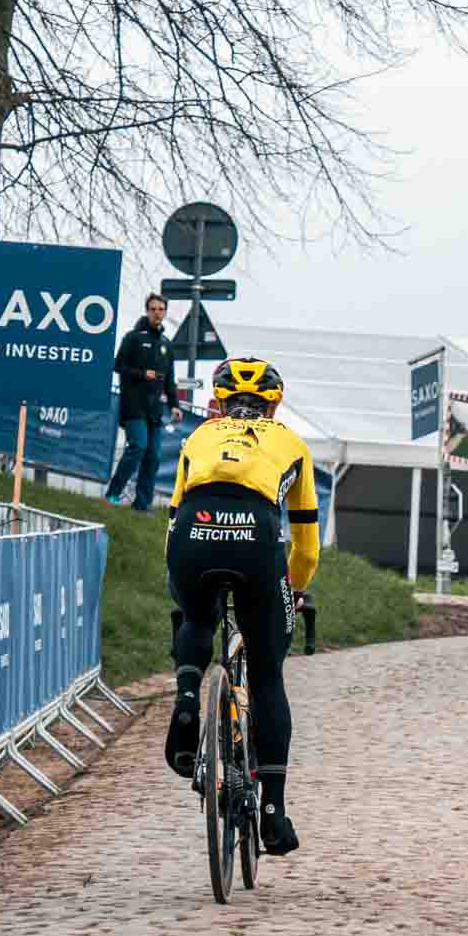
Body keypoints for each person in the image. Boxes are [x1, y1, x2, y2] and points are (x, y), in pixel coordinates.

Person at [162, 356, 322, 853]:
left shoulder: (198, 437)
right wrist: (291, 589)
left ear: (221, 402)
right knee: (269, 674)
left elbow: (173, 517)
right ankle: (273, 813)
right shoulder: (292, 444)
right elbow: (307, 545)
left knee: (195, 614)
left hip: (194, 528)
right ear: (274, 404)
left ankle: (188, 697)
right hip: (256, 536)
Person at [105, 293, 172, 508]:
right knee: (138, 447)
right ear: (147, 311)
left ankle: (142, 506)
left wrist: (176, 406)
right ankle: (112, 494)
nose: (157, 313)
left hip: (155, 410)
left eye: (161, 309)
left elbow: (169, 379)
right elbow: (118, 366)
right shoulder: (133, 338)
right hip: (134, 406)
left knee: (153, 456)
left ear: (165, 313)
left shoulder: (166, 344)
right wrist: (143, 374)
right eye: (153, 309)